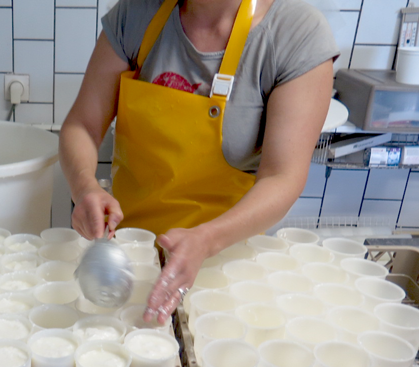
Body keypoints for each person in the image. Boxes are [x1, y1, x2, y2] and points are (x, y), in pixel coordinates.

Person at [59, 0, 339, 323]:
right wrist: (84, 187)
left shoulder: (294, 33)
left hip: (225, 267)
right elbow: (82, 125)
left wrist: (207, 239)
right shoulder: (136, 14)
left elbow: (282, 177)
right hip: (130, 259)